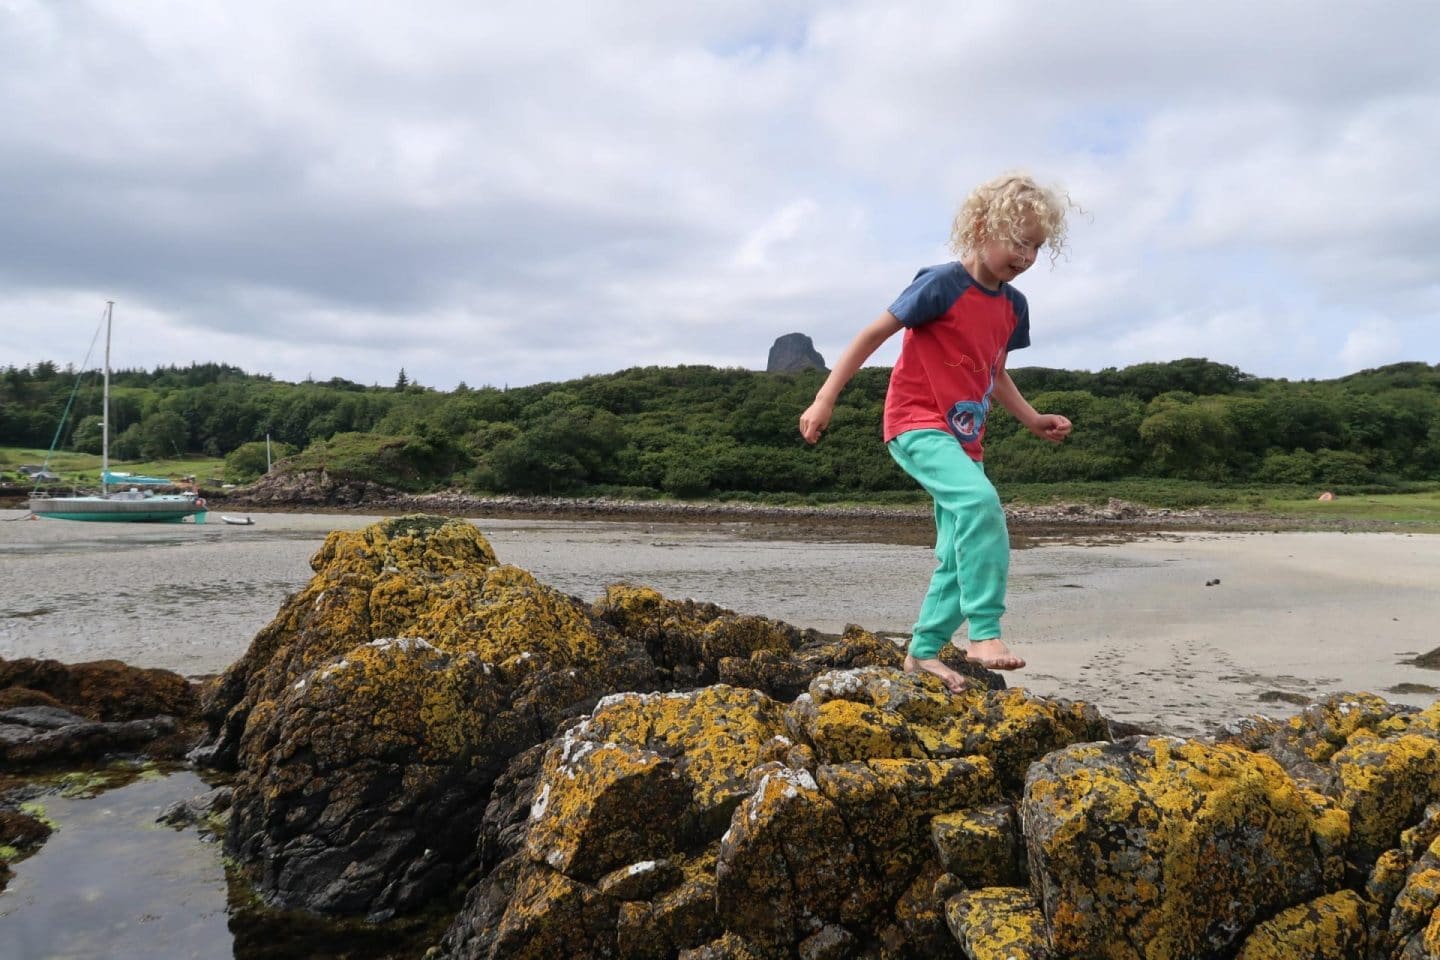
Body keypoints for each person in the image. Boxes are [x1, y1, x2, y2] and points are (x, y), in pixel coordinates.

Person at [799, 172, 1076, 693]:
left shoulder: (1014, 308)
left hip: (965, 440)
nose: (1027, 255)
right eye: (1017, 241)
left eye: (1036, 246)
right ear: (980, 227)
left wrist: (1032, 418)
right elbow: (872, 334)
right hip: (915, 421)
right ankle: (984, 632)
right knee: (981, 506)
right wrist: (824, 397)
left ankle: (923, 652)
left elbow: (994, 373)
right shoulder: (941, 284)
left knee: (958, 549)